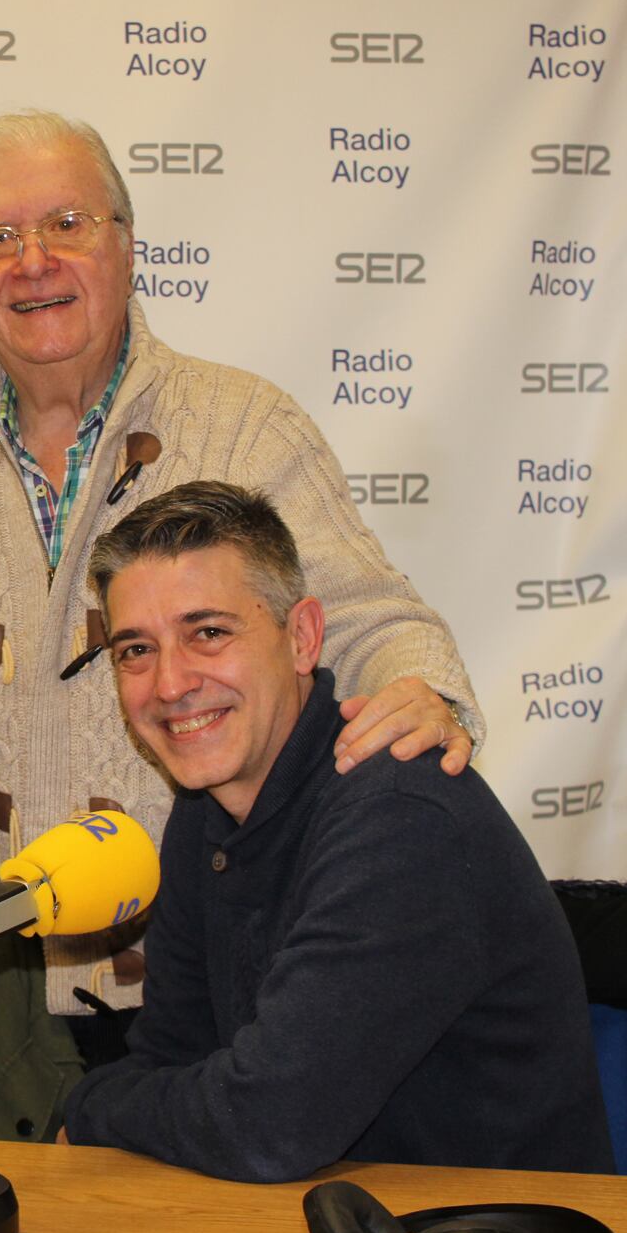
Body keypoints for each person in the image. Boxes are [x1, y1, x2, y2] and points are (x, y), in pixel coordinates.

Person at [0, 109, 485, 1140]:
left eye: (66, 224)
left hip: (210, 964)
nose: (33, 261)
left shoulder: (245, 423)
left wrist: (424, 693)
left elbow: (366, 615)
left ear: (127, 242)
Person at [59, 481, 611, 1179]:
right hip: (309, 1213)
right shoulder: (204, 812)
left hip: (487, 1223)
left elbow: (269, 1124)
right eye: (136, 650)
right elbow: (172, 1057)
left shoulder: (402, 817)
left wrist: (90, 1106)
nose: (170, 684)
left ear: (303, 638)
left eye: (208, 633)